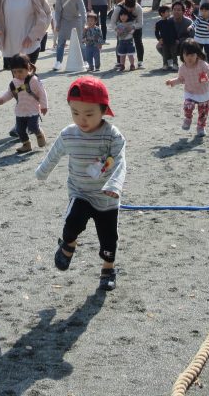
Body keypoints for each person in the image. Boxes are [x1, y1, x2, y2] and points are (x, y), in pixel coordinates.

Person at [35, 76, 126, 292]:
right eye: (75, 113)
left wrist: (114, 185)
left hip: (106, 198)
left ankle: (108, 269)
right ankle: (68, 245)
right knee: (72, 223)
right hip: (80, 192)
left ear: (103, 110)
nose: (81, 119)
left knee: (108, 238)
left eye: (88, 114)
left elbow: (121, 161)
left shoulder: (112, 136)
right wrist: (42, 171)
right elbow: (54, 154)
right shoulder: (69, 134)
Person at [166, 38, 209, 138]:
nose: (189, 58)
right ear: (182, 55)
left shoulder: (202, 64)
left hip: (203, 92)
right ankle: (188, 118)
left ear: (197, 54)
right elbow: (181, 79)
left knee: (203, 112)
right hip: (190, 92)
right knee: (188, 105)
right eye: (187, 55)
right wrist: (173, 82)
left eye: (192, 55)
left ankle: (201, 127)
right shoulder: (182, 68)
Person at [0, 54, 48, 154]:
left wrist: (44, 106)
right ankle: (26, 144)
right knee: (20, 130)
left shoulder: (34, 80)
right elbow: (11, 93)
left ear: (28, 68)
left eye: (20, 71)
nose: (17, 74)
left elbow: (42, 93)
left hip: (33, 110)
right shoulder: (14, 82)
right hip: (20, 111)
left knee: (33, 127)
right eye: (14, 72)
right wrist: (2, 99)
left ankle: (39, 134)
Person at [52, 0, 86, 71]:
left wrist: (84, 24)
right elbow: (58, 11)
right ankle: (58, 62)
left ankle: (85, 61)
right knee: (61, 43)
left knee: (80, 42)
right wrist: (57, 23)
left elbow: (83, 12)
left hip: (76, 21)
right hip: (64, 21)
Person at [109, 0, 145, 67]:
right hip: (121, 28)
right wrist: (116, 29)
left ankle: (140, 61)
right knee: (119, 43)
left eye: (132, 8)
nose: (130, 9)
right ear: (125, 4)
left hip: (135, 27)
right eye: (128, 7)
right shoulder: (118, 8)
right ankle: (119, 62)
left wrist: (133, 26)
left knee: (138, 41)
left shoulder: (138, 8)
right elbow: (112, 22)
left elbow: (140, 23)